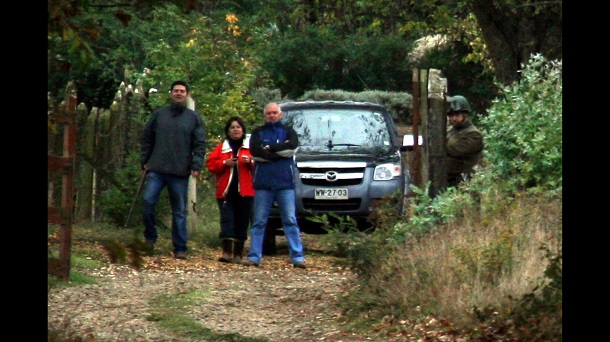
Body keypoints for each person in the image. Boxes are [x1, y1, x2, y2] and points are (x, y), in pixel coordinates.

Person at [140, 80, 207, 259]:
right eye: (176, 91)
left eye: (182, 91)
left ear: (187, 94)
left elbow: (200, 144)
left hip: (180, 172)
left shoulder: (194, 118)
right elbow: (146, 137)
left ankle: (180, 247)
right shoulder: (159, 115)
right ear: (171, 93)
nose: (179, 94)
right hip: (156, 169)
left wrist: (196, 165)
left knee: (179, 211)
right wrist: (144, 161)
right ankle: (150, 237)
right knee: (147, 202)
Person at [242, 102, 306, 269]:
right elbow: (255, 152)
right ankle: (254, 256)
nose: (271, 115)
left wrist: (269, 149)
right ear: (265, 115)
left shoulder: (288, 131)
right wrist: (279, 154)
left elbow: (292, 146)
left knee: (290, 220)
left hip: (285, 183)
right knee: (259, 221)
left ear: (280, 114)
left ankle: (297, 257)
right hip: (263, 184)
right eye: (268, 113)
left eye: (274, 113)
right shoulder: (257, 132)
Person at [206, 116, 254, 264]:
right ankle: (227, 252)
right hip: (226, 191)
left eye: (238, 127)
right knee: (227, 221)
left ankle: (238, 254)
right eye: (232, 127)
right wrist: (224, 163)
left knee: (242, 221)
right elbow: (210, 164)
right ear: (228, 131)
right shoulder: (222, 147)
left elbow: (260, 165)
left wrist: (251, 162)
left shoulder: (250, 147)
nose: (235, 130)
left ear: (243, 130)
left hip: (246, 191)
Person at [446, 95, 484, 187]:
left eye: (457, 115)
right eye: (451, 115)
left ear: (465, 115)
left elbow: (455, 151)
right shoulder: (451, 130)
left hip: (462, 184)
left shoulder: (474, 134)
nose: (454, 118)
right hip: (447, 180)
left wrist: (437, 140)